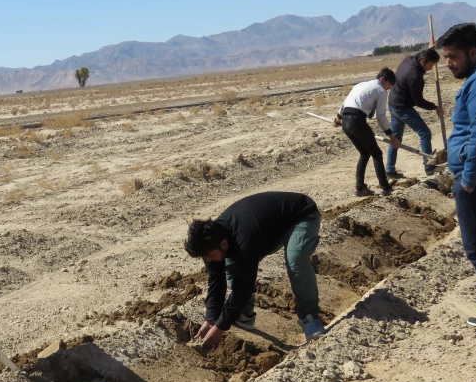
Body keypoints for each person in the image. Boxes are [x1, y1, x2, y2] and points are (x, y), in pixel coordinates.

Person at [184, 192, 326, 348]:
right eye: (205, 257)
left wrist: (221, 327)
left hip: (301, 214)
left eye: (209, 255)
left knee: (295, 259)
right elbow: (216, 281)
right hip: (269, 229)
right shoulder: (211, 242)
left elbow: (243, 286)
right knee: (230, 266)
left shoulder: (244, 239)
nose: (208, 260)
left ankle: (310, 319)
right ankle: (244, 315)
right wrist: (211, 318)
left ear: (224, 243)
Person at [438, 23, 476, 347]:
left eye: (453, 56)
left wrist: (469, 180)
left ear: (473, 52)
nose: (449, 63)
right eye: (446, 57)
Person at [333, 69, 401, 197]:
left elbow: (344, 104)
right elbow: (381, 116)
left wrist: (338, 118)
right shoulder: (380, 91)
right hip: (357, 121)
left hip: (346, 123)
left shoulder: (360, 85)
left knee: (364, 153)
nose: (387, 89)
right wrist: (392, 137)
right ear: (382, 80)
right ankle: (385, 188)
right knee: (377, 154)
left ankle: (360, 188)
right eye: (388, 86)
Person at [387, 48, 445, 179]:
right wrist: (435, 107)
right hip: (402, 107)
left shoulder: (409, 59)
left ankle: (390, 169)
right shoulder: (415, 76)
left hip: (393, 103)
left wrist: (431, 47)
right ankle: (429, 167)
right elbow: (418, 100)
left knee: (395, 138)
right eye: (430, 65)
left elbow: (420, 53)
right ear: (423, 61)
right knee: (425, 133)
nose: (430, 68)